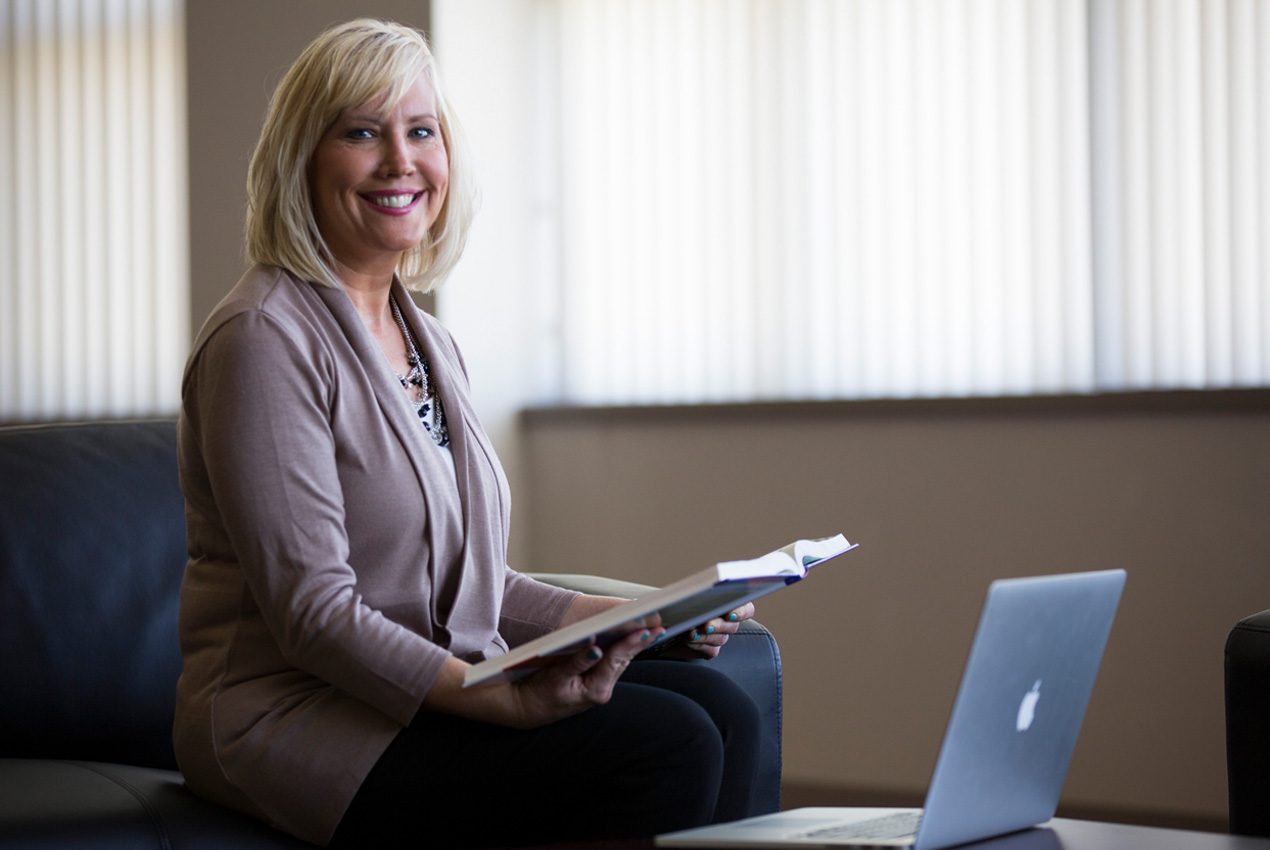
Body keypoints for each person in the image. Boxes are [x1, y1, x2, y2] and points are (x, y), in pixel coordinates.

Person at [174, 18, 761, 849]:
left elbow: (475, 585)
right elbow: (313, 611)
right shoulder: (263, 340)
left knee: (721, 708)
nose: (400, 161)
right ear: (301, 159)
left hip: (419, 691)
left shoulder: (429, 340)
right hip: (300, 720)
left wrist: (649, 616)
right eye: (362, 132)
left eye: (421, 131)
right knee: (668, 745)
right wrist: (488, 694)